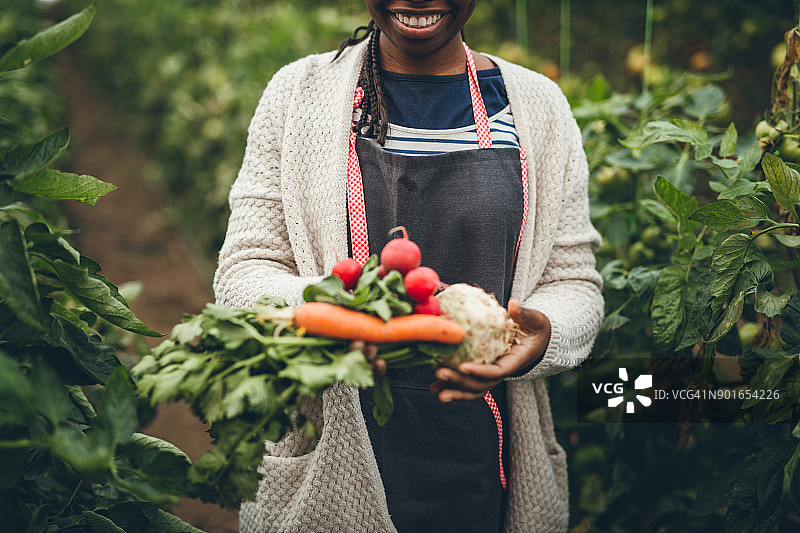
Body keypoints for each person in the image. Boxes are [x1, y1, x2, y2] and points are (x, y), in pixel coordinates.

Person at [213, 1, 603, 531]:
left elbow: (573, 280)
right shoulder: (298, 94)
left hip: (481, 464)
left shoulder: (538, 107)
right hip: (325, 467)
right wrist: (329, 314)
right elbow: (244, 272)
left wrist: (544, 334)